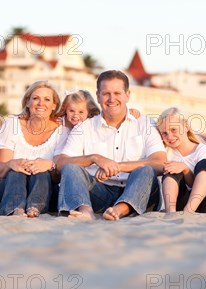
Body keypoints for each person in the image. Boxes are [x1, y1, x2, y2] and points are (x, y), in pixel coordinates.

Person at [56, 70, 166, 220]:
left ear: (127, 95)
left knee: (145, 170)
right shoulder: (84, 128)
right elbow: (61, 163)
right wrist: (95, 158)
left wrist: (117, 166)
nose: (111, 99)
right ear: (98, 96)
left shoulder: (146, 124)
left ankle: (121, 209)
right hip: (99, 194)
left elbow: (160, 163)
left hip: (141, 194)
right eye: (106, 93)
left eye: (117, 93)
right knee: (70, 168)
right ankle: (86, 211)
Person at [0, 81, 64, 218]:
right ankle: (15, 208)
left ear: (54, 106)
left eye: (47, 99)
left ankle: (35, 208)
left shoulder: (62, 130)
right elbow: (0, 171)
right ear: (27, 102)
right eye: (35, 98)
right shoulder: (12, 124)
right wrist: (11, 164)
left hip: (45, 193)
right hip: (8, 193)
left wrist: (50, 165)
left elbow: (58, 177)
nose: (41, 103)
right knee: (15, 172)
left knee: (42, 172)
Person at [156, 107, 206, 214]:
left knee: (205, 164)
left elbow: (195, 183)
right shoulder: (166, 152)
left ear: (186, 127)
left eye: (173, 130)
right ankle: (170, 211)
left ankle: (188, 211)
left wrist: (185, 168)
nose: (170, 136)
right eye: (164, 133)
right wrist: (137, 115)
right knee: (171, 169)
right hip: (180, 204)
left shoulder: (203, 150)